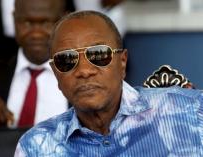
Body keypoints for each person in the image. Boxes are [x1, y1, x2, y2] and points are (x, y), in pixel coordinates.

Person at [14, 11, 203, 156]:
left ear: (122, 62)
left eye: (99, 55)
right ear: (56, 74)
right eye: (67, 60)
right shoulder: (37, 146)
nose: (84, 71)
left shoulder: (193, 111)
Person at [0, 0, 75, 128]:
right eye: (27, 23)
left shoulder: (85, 76)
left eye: (46, 23)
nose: (36, 34)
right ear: (14, 19)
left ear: (65, 20)